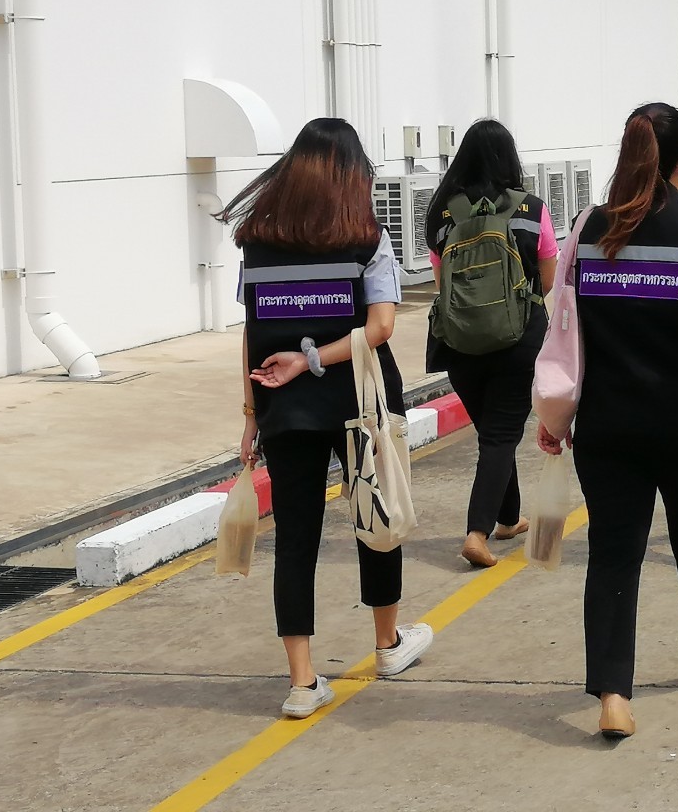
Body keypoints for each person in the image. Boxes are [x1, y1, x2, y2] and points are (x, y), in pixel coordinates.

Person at [537, 102, 678, 741]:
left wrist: (555, 411)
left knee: (613, 554)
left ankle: (613, 695)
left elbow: (564, 323)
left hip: (607, 425)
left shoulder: (586, 228)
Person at [223, 118, 433, 720]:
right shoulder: (366, 238)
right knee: (375, 512)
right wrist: (312, 359)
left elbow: (252, 332)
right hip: (359, 401)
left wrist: (251, 413)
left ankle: (302, 681)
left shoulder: (256, 242)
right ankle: (387, 643)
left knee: (295, 539)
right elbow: (381, 327)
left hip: (283, 407)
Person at [424, 119, 558, 569]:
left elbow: (442, 282)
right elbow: (548, 278)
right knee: (500, 435)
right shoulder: (532, 209)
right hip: (517, 339)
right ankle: (477, 533)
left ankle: (508, 517)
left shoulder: (441, 213)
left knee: (492, 433)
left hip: (459, 342)